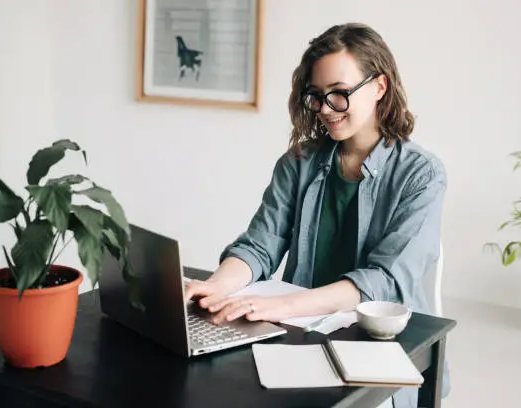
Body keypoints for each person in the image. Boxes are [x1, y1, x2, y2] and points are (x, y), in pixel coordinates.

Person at [185, 23, 448, 408]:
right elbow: (260, 245)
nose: (326, 109)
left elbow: (386, 280)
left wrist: (282, 306)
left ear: (379, 87)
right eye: (317, 96)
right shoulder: (298, 163)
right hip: (302, 339)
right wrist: (217, 285)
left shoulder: (422, 175)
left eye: (340, 94)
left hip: (376, 349)